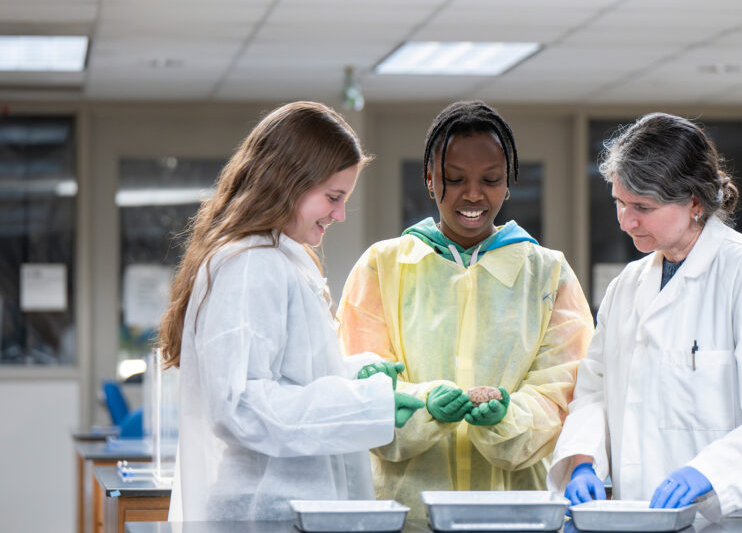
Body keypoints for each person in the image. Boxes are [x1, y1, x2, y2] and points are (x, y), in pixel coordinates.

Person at [547, 112, 742, 520]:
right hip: (641, 515)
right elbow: (595, 389)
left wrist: (710, 473)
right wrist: (583, 458)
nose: (626, 221)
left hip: (736, 520)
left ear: (694, 202)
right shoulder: (628, 287)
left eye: (642, 206)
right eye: (619, 203)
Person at [157, 101, 424, 521]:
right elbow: (241, 406)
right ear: (287, 181)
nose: (339, 214)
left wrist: (359, 376)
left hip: (288, 504)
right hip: (267, 508)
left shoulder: (282, 256)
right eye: (333, 198)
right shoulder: (250, 264)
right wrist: (371, 405)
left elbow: (289, 374)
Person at [338, 100, 594, 515]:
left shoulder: (548, 274)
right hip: (407, 516)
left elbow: (563, 391)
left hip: (516, 515)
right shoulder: (381, 267)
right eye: (454, 179)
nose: (473, 195)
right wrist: (423, 406)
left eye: (491, 179)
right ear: (429, 179)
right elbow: (358, 382)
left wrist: (508, 416)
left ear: (509, 181)